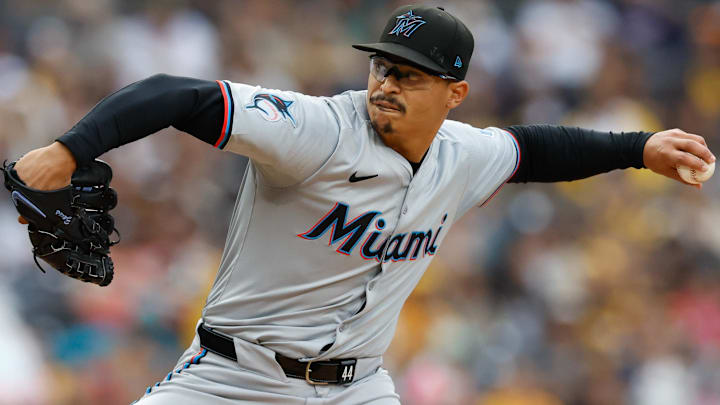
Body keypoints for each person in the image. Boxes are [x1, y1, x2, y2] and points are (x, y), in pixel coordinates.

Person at [10, 5, 715, 405]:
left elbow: (538, 147)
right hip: (232, 378)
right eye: (382, 66)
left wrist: (638, 146)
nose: (385, 84)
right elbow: (179, 94)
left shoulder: (463, 155)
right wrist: (68, 149)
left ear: (455, 94)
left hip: (358, 390)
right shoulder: (319, 128)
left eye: (409, 76)